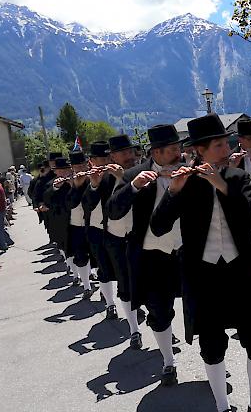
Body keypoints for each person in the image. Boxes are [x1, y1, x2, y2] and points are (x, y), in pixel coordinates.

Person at [152, 114, 251, 412]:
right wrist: (174, 190)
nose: (226, 149)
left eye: (226, 143)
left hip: (242, 272)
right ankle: (221, 405)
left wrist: (222, 186)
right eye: (218, 145)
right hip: (203, 276)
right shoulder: (184, 182)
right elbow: (159, 226)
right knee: (212, 344)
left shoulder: (237, 177)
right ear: (199, 150)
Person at [107, 124, 184, 386]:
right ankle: (168, 361)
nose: (179, 153)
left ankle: (213, 359)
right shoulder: (134, 175)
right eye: (173, 149)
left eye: (179, 147)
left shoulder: (189, 170)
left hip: (187, 251)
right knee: (159, 311)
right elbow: (114, 211)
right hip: (151, 255)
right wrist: (134, 188)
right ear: (158, 152)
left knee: (204, 305)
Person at [85, 134, 143, 348]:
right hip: (115, 238)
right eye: (124, 153)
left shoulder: (142, 173)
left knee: (150, 283)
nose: (129, 156)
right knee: (125, 285)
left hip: (142, 237)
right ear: (113, 156)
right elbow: (90, 204)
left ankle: (161, 326)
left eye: (131, 152)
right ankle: (134, 330)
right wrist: (93, 184)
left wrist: (126, 178)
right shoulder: (106, 178)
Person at [64, 151, 96, 298]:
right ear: (72, 167)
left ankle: (104, 290)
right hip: (77, 223)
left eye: (82, 165)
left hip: (96, 222)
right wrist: (74, 185)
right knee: (81, 256)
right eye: (76, 166)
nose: (79, 168)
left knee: (99, 257)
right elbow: (68, 204)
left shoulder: (95, 176)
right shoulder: (67, 181)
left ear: (87, 163)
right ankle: (87, 286)